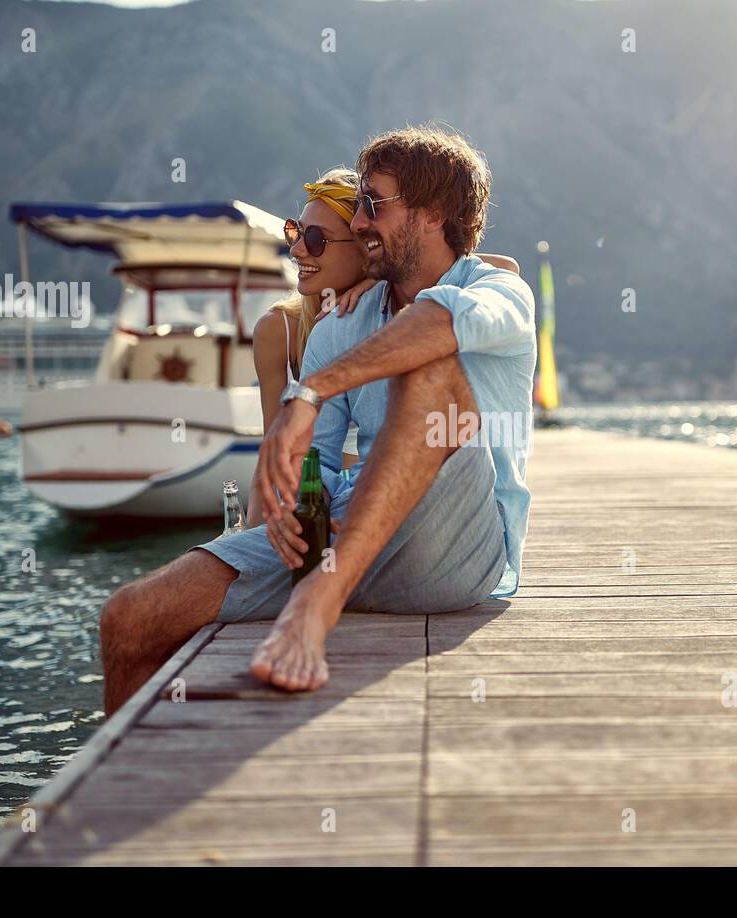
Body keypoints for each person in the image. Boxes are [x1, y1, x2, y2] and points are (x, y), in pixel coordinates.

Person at [99, 125, 535, 712]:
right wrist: (290, 504)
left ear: (434, 213)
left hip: (455, 553)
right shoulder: (338, 327)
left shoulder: (500, 292)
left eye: (373, 204)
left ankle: (314, 609)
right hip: (345, 541)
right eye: (358, 207)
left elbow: (439, 321)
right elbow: (320, 461)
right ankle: (120, 794)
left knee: (435, 373)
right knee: (130, 617)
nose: (359, 222)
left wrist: (310, 394)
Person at [248, 168, 518, 527]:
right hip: (328, 513)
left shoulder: (399, 310)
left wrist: (373, 280)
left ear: (365, 246)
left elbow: (504, 269)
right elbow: (275, 455)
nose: (296, 249)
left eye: (316, 239)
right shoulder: (279, 330)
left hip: (397, 509)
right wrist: (252, 543)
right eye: (294, 231)